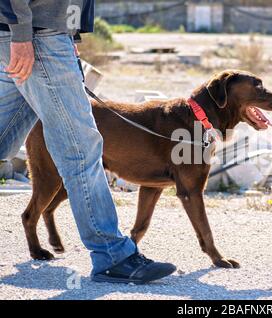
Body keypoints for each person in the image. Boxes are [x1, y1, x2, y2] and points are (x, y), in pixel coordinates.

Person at [0, 0, 176, 284]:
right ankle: (112, 255)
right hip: (36, 34)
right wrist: (22, 34)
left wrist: (71, 33)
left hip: (41, 33)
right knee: (80, 148)